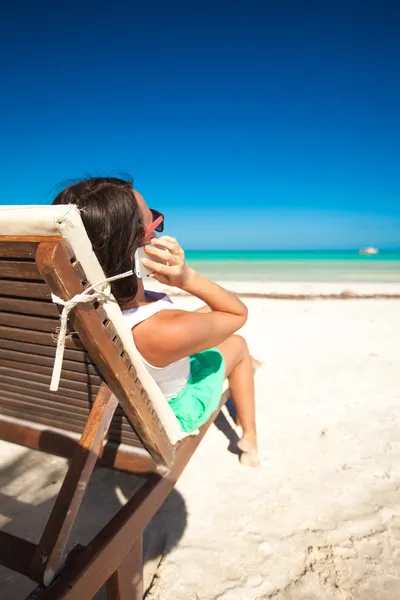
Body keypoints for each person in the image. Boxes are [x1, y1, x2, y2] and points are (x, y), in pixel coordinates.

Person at [53, 177, 259, 466]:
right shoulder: (158, 329)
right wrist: (187, 278)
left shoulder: (73, 305)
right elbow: (237, 314)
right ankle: (249, 438)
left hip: (135, 381)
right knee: (238, 345)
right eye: (155, 224)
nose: (159, 232)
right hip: (176, 407)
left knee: (204, 315)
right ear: (137, 246)